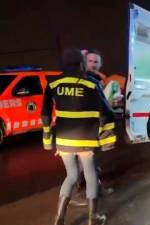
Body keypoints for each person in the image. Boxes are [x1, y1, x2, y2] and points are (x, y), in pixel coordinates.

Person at [42, 48, 116, 225]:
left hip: (64, 140)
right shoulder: (91, 83)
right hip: (86, 139)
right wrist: (107, 139)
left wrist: (47, 141)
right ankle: (93, 217)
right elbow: (106, 113)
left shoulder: (53, 84)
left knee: (71, 176)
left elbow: (45, 114)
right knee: (90, 175)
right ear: (81, 63)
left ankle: (59, 218)